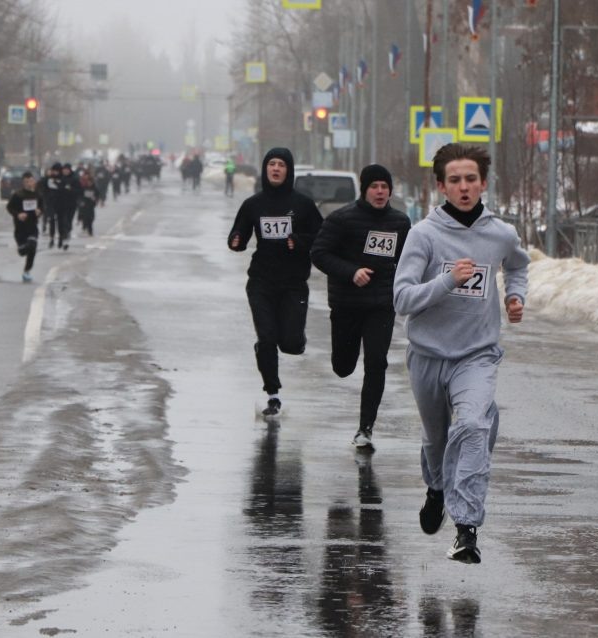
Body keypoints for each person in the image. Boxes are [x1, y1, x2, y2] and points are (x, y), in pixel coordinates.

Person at [393, 143, 530, 564]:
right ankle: (436, 488)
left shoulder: (500, 234)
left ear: (483, 183)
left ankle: (466, 528)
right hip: (429, 356)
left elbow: (519, 265)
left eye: (471, 179)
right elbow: (402, 298)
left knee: (471, 426)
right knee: (437, 440)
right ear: (441, 186)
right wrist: (448, 282)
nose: (464, 187)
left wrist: (514, 295)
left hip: (478, 354)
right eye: (455, 180)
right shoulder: (424, 235)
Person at [311, 164, 411, 449]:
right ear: (365, 189)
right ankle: (344, 364)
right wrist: (351, 271)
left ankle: (365, 428)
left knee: (377, 362)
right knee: (343, 366)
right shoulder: (341, 219)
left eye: (384, 187)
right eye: (374, 186)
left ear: (390, 191)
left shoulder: (400, 222)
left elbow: (408, 260)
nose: (380, 192)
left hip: (381, 304)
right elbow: (319, 253)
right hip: (346, 303)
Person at [227, 148, 323, 417]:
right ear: (265, 169)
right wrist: (235, 240)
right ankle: (273, 394)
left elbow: (321, 237)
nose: (276, 168)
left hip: (293, 283)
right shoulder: (253, 204)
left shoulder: (303, 205)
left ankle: (294, 340)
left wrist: (299, 241)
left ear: (288, 170)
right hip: (261, 281)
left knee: (290, 343)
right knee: (267, 337)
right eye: (271, 164)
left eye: (281, 164)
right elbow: (239, 235)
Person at [5, 171, 42, 282]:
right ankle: (21, 249)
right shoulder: (18, 195)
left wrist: (39, 211)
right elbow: (9, 207)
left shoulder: (37, 195)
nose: (29, 183)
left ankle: (27, 271)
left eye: (30, 181)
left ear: (34, 181)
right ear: (23, 183)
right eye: (26, 182)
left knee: (33, 247)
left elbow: (42, 206)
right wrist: (18, 214)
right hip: (20, 228)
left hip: (32, 226)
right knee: (23, 252)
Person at [78, 172, 98, 237]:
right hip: (85, 205)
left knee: (91, 218)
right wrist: (81, 201)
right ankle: (88, 229)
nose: (89, 183)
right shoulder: (84, 188)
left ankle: (89, 229)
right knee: (85, 218)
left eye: (90, 182)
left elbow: (97, 195)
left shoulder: (95, 188)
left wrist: (95, 199)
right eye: (88, 182)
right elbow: (80, 195)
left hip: (91, 206)